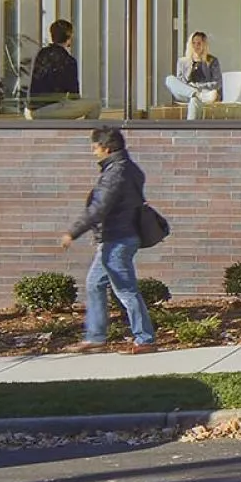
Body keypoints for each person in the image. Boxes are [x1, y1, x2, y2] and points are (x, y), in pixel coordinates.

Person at [60, 125, 156, 352]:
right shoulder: (129, 168)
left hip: (117, 239)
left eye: (95, 148)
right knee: (94, 284)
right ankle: (95, 337)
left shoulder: (114, 174)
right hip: (121, 236)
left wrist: (72, 232)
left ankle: (145, 339)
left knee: (125, 289)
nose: (93, 152)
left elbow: (98, 209)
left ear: (106, 148)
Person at [163, 31, 223, 118]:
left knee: (195, 100)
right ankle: (195, 94)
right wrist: (192, 90)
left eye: (199, 43)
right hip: (186, 93)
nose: (196, 46)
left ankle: (190, 130)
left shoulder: (212, 61)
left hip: (205, 93)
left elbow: (217, 83)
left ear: (204, 45)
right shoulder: (182, 61)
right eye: (193, 43)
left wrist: (196, 86)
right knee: (169, 79)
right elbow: (180, 82)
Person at [27, 20, 80, 115]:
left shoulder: (42, 54)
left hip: (34, 110)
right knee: (96, 105)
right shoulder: (69, 61)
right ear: (69, 37)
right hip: (52, 109)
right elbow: (74, 95)